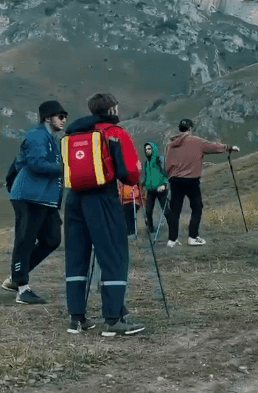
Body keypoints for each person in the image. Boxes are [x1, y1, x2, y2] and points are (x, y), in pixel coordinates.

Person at [63, 93, 143, 336]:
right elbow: (130, 174)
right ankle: (113, 319)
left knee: (77, 256)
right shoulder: (116, 133)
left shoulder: (74, 134)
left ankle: (77, 318)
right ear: (111, 109)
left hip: (74, 198)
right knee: (113, 255)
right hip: (102, 198)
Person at [2, 101, 67, 304]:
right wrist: (66, 167)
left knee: (52, 239)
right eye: (60, 116)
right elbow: (37, 164)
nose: (64, 120)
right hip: (28, 196)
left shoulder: (51, 139)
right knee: (25, 239)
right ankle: (22, 288)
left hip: (45, 200)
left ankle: (14, 278)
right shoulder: (37, 135)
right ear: (48, 117)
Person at [164, 119, 239, 247]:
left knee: (175, 210)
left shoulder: (171, 145)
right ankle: (192, 237)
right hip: (192, 181)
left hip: (175, 180)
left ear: (180, 129)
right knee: (197, 208)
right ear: (190, 129)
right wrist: (229, 148)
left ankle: (172, 240)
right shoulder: (197, 142)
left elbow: (167, 165)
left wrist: (171, 175)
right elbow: (213, 147)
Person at [142, 142, 170, 233]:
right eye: (146, 149)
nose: (147, 151)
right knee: (148, 211)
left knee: (166, 211)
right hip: (151, 190)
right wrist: (143, 184)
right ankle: (151, 229)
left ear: (153, 149)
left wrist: (164, 185)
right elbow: (146, 176)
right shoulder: (146, 163)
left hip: (161, 189)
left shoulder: (160, 160)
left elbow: (168, 173)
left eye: (149, 149)